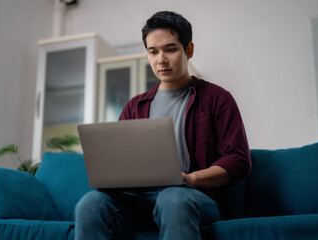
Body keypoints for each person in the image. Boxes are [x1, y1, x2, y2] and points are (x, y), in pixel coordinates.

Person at [75, 11, 251, 240]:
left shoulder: (217, 98)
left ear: (189, 50)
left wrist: (192, 179)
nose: (161, 60)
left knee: (173, 197)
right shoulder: (134, 107)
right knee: (90, 204)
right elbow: (121, 165)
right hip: (142, 200)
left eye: (170, 49)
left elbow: (238, 159)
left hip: (196, 197)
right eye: (153, 51)